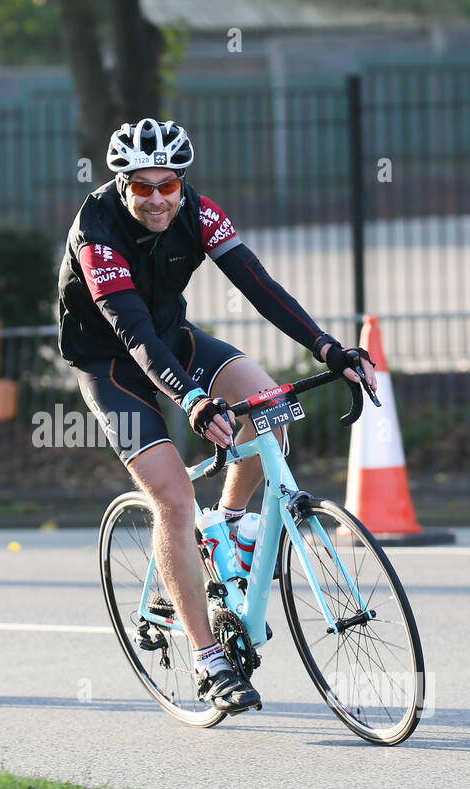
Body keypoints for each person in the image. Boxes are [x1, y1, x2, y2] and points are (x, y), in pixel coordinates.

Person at [57, 118, 376, 715]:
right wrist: (193, 401)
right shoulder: (96, 235)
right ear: (122, 185)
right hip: (110, 364)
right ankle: (210, 663)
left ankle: (229, 520)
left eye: (167, 185)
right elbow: (131, 331)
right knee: (174, 498)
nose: (156, 198)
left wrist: (328, 348)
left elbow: (259, 284)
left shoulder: (199, 213)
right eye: (141, 187)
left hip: (172, 337)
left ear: (182, 183)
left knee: (270, 408)